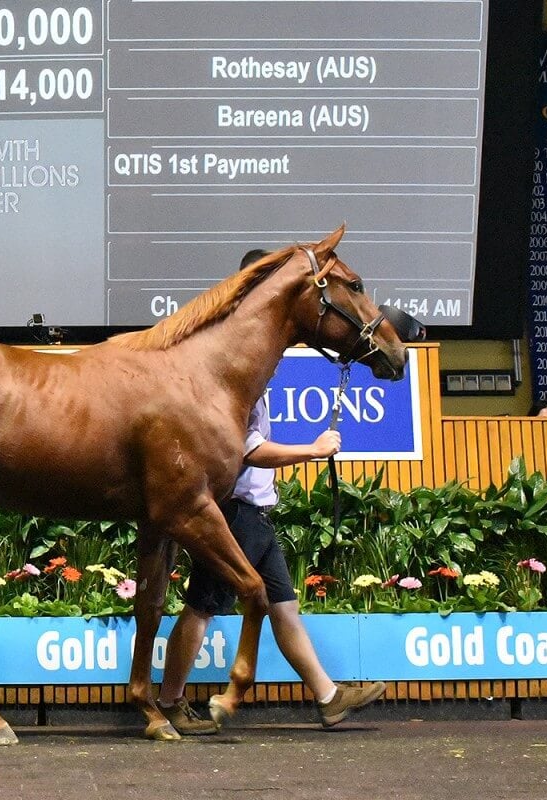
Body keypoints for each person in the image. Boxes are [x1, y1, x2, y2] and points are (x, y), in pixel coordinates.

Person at [156, 249, 386, 735]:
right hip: (234, 510)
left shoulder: (253, 369)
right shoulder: (239, 377)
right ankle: (172, 700)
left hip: (252, 512)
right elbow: (247, 449)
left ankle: (326, 696)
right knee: (202, 607)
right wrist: (312, 449)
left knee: (282, 606)